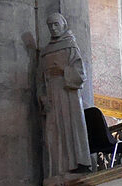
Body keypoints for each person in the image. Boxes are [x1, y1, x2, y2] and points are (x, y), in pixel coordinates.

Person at [37, 12, 94, 176]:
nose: (53, 28)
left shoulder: (70, 46)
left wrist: (63, 71)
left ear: (63, 25)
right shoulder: (45, 52)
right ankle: (57, 169)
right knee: (53, 131)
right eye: (50, 26)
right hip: (52, 95)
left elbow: (80, 74)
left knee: (70, 127)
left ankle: (77, 164)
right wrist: (43, 98)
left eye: (56, 24)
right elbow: (39, 79)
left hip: (68, 94)